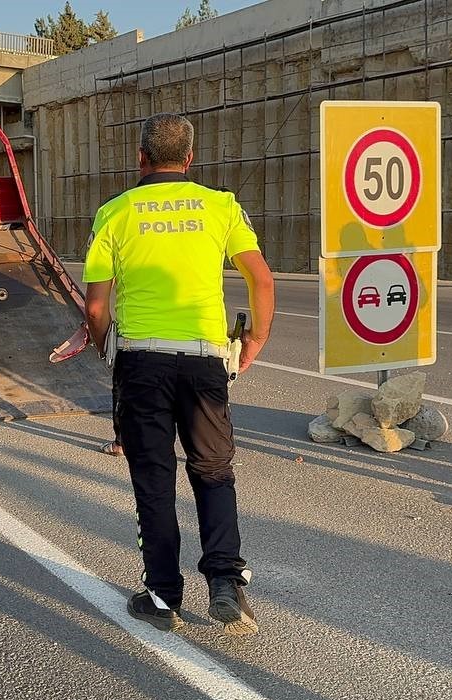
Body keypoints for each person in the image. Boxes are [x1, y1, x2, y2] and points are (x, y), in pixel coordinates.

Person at [83, 113, 275, 634]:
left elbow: (97, 307)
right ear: (190, 160)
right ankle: (225, 584)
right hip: (205, 359)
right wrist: (254, 338)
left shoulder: (115, 213)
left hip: (142, 360)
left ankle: (163, 597)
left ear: (140, 158)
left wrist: (105, 352)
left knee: (153, 478)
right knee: (214, 470)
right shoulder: (220, 206)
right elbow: (260, 278)